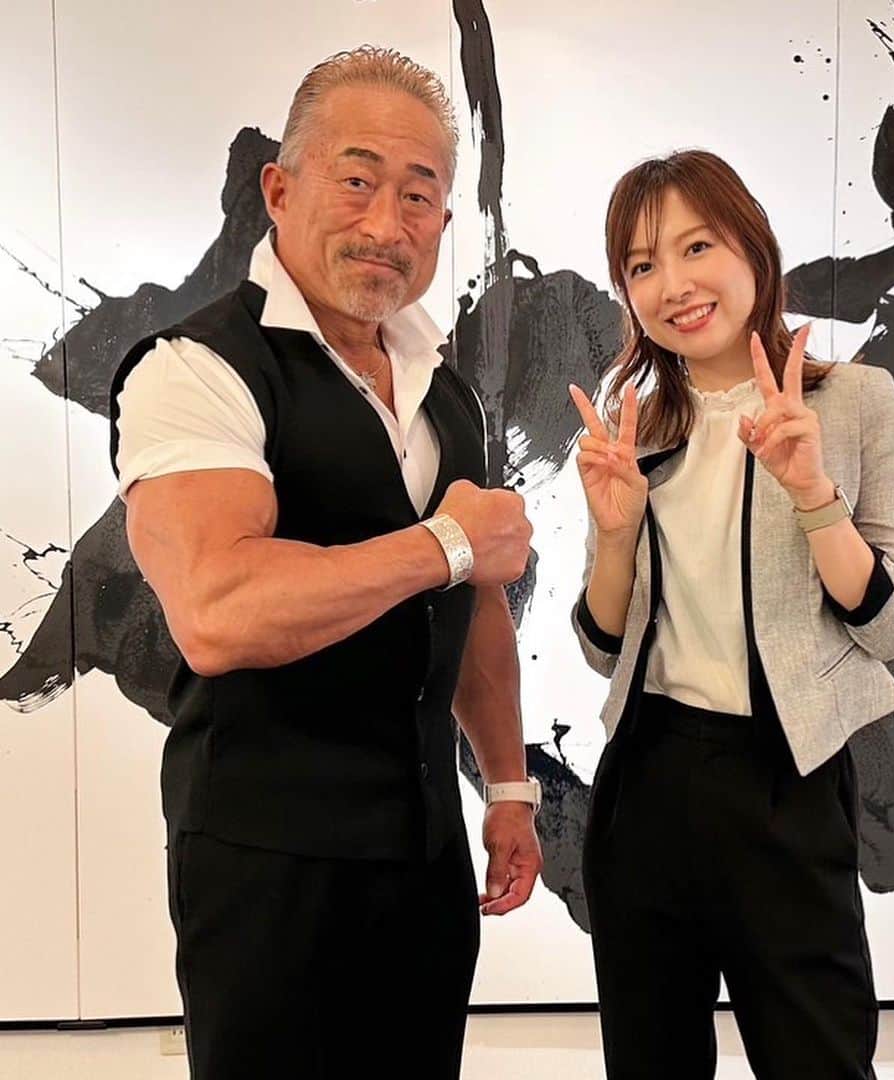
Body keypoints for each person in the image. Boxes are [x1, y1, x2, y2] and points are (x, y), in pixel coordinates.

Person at [110, 47, 543, 1080]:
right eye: (357, 181)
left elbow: (475, 608)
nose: (386, 224)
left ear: (444, 219)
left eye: (418, 196)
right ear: (279, 189)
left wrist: (508, 783)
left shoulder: (444, 389)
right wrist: (444, 543)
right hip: (267, 863)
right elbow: (219, 611)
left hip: (426, 857)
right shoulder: (196, 369)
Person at [569, 149, 894, 1080]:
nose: (673, 285)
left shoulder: (854, 402)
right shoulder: (637, 428)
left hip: (787, 781)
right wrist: (616, 534)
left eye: (697, 247)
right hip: (647, 779)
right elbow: (602, 644)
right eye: (642, 264)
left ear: (753, 250)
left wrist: (813, 492)